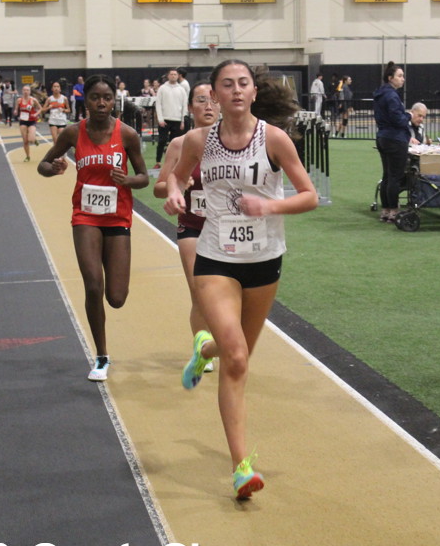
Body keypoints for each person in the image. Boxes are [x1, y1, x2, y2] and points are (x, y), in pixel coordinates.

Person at [163, 59, 318, 499]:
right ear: (213, 94)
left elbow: (308, 196)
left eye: (243, 83)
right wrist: (174, 192)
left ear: (253, 92)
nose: (235, 90)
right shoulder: (199, 140)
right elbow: (176, 176)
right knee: (236, 358)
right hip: (215, 257)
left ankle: (203, 350)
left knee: (239, 352)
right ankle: (240, 467)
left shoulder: (274, 139)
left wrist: (269, 206)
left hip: (264, 259)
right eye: (226, 84)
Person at [37, 74, 149, 382]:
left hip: (118, 217)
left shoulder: (127, 134)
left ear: (114, 101)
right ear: (85, 100)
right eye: (95, 97)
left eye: (107, 98)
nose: (101, 103)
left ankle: (103, 348)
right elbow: (43, 165)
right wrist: (54, 168)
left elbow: (144, 177)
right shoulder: (73, 132)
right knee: (93, 286)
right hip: (85, 216)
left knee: (116, 297)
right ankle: (101, 356)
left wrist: (128, 180)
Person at [152, 81, 221, 371]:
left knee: (227, 294)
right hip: (192, 226)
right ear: (190, 107)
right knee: (200, 292)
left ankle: (220, 340)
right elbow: (159, 188)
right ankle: (203, 349)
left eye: (213, 100)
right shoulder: (179, 144)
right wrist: (177, 187)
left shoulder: (233, 143)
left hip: (226, 228)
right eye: (201, 100)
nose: (208, 106)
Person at [373, 62, 412, 224]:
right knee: (395, 176)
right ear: (390, 78)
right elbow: (398, 119)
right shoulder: (392, 96)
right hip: (395, 138)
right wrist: (409, 116)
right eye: (400, 76)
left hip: (382, 137)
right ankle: (394, 211)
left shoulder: (380, 94)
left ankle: (386, 210)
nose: (403, 79)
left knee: (387, 176)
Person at [154, 68, 187, 170]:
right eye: (171, 74)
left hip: (177, 120)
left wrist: (182, 120)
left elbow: (184, 105)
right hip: (165, 119)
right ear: (168, 76)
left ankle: (174, 163)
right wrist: (160, 119)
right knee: (162, 141)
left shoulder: (181, 89)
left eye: (175, 74)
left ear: (177, 76)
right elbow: (158, 104)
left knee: (175, 143)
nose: (173, 76)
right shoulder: (162, 88)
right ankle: (158, 161)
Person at [15, 84, 42, 162]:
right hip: (23, 121)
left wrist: (36, 114)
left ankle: (34, 140)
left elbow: (40, 108)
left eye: (27, 90)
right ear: (22, 91)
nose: (26, 92)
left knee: (31, 139)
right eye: (24, 90)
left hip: (31, 121)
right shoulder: (19, 100)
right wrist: (15, 111)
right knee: (25, 141)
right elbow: (16, 109)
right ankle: (27, 156)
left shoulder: (33, 100)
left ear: (30, 92)